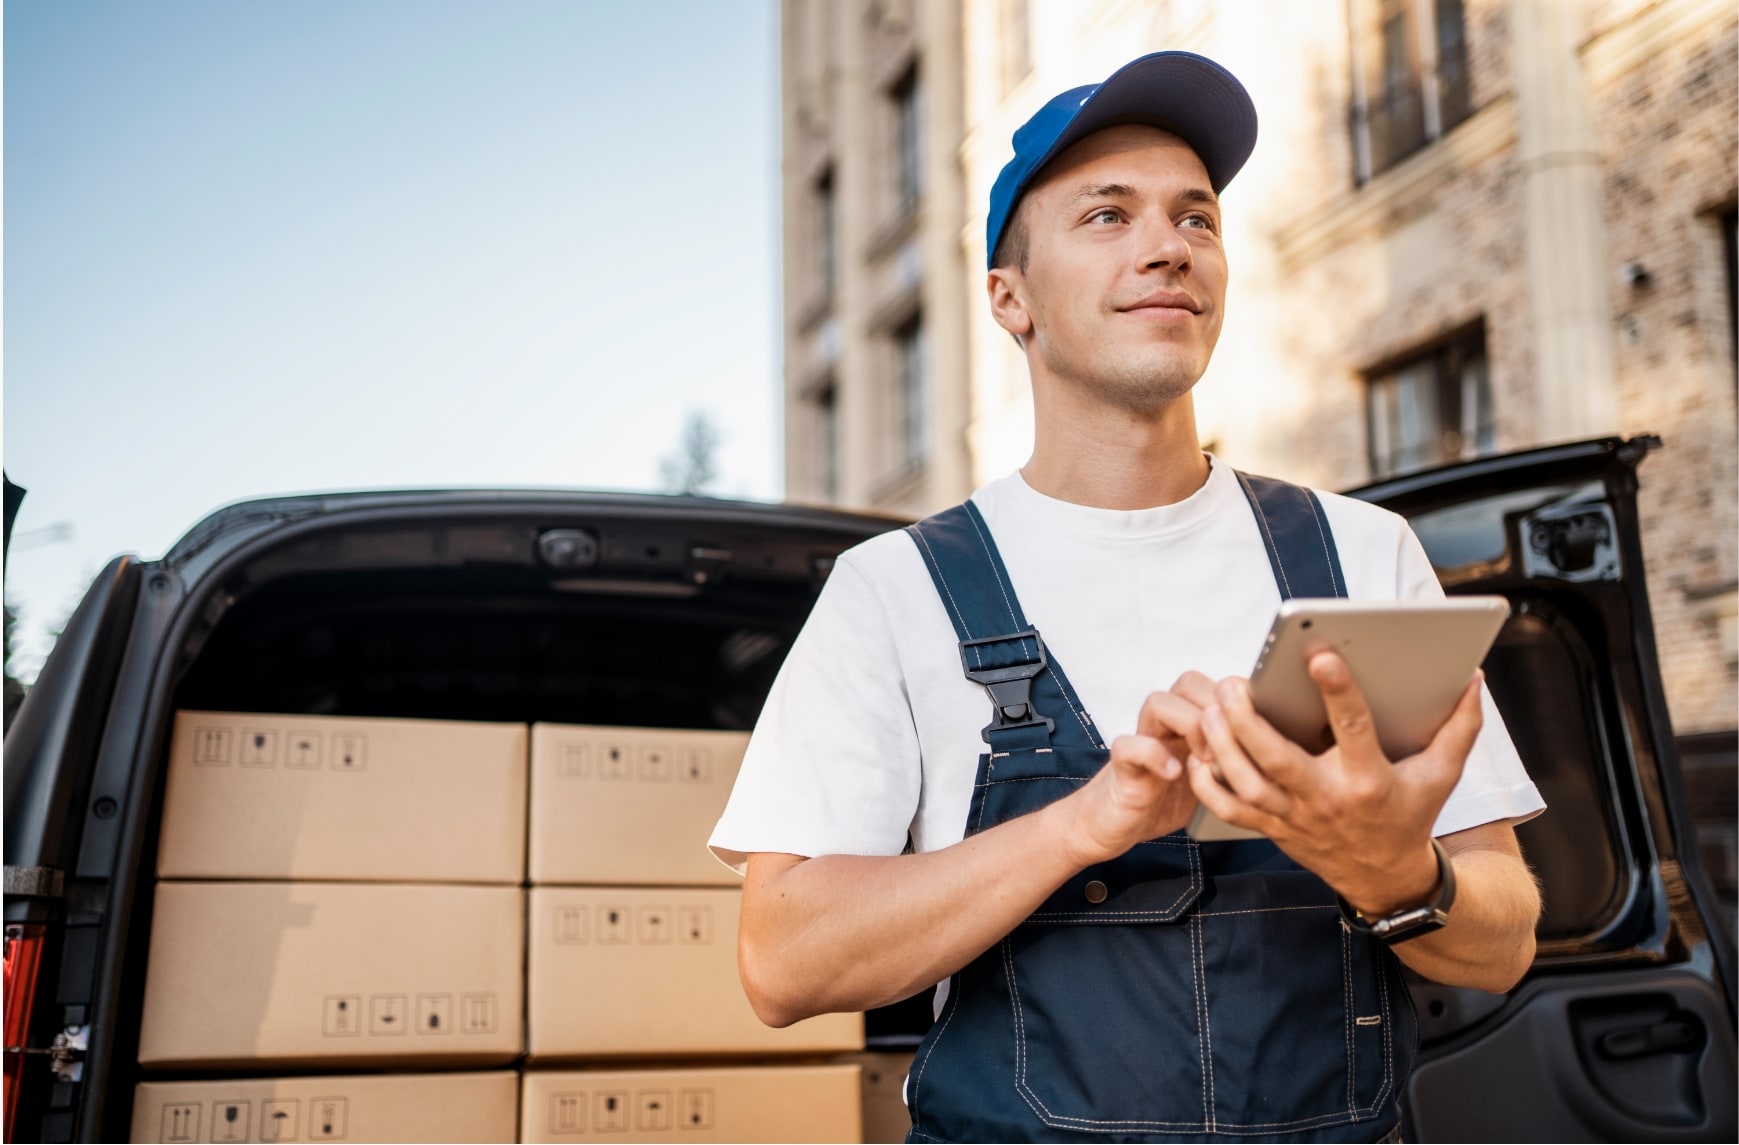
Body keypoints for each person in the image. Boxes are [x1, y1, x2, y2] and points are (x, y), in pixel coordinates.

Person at [710, 51, 1544, 1144]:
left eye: (1195, 218)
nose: (1167, 246)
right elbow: (783, 961)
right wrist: (1084, 823)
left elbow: (1503, 941)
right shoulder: (895, 590)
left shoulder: (1361, 554)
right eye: (1107, 215)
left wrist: (1393, 871)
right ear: (1008, 297)